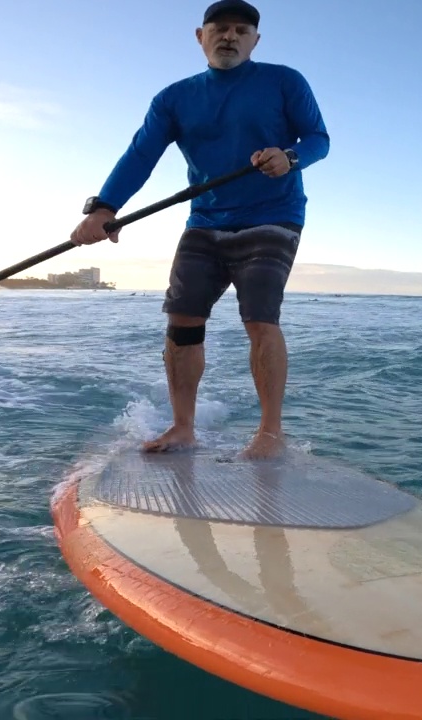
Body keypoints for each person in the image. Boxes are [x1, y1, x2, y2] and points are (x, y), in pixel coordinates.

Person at [69, 0, 330, 459]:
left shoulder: (285, 81)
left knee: (259, 318)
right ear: (200, 36)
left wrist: (288, 157)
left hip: (273, 215)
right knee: (183, 321)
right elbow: (140, 154)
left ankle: (270, 433)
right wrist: (104, 207)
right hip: (205, 220)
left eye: (241, 30)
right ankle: (183, 427)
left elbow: (318, 140)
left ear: (255, 40)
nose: (230, 36)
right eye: (220, 29)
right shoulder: (175, 97)